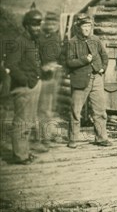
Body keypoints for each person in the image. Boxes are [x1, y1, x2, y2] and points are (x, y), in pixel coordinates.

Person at [3, 9, 44, 164]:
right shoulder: (19, 41)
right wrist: (26, 81)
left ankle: (24, 152)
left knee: (28, 121)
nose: (37, 28)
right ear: (26, 26)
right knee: (22, 122)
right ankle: (19, 156)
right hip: (24, 88)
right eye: (34, 25)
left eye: (39, 25)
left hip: (32, 85)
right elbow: (10, 65)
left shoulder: (32, 41)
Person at [65, 14, 111, 148]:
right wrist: (85, 60)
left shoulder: (96, 40)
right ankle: (73, 139)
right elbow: (69, 62)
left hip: (96, 78)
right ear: (79, 27)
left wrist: (102, 68)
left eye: (89, 26)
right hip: (80, 80)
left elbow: (104, 56)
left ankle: (101, 138)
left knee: (100, 110)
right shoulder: (72, 42)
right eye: (84, 26)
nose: (87, 29)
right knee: (76, 110)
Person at [37, 11, 62, 145]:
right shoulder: (39, 37)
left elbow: (60, 55)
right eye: (49, 22)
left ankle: (50, 131)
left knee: (52, 106)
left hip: (55, 74)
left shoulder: (56, 37)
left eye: (54, 23)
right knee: (44, 106)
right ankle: (44, 135)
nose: (52, 25)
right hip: (44, 75)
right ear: (44, 23)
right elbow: (34, 56)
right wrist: (43, 66)